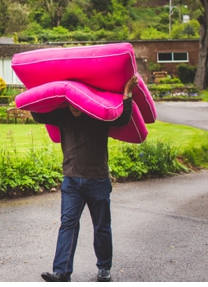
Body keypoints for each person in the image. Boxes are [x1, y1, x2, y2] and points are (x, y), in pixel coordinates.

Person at [32, 75, 138, 283]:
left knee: (102, 227)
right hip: (71, 180)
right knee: (68, 224)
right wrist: (35, 89)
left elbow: (122, 119)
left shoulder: (98, 113)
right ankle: (62, 272)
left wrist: (127, 94)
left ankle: (104, 268)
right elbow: (38, 115)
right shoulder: (62, 115)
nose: (73, 106)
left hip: (98, 179)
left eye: (76, 101)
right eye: (69, 102)